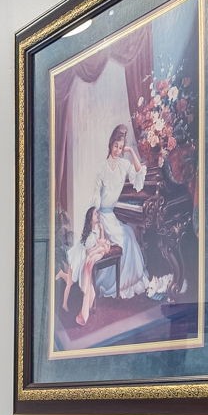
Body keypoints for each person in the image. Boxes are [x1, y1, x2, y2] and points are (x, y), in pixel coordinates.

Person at [62, 125, 172, 326]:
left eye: (121, 147)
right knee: (126, 237)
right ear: (110, 145)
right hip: (102, 215)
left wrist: (131, 153)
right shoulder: (103, 168)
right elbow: (96, 195)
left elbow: (139, 178)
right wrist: (94, 219)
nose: (118, 149)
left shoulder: (123, 164)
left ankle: (129, 281)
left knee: (129, 234)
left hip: (111, 214)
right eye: (116, 145)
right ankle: (111, 284)